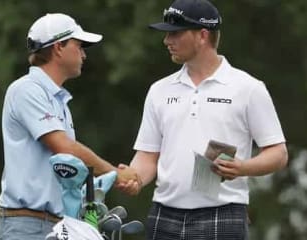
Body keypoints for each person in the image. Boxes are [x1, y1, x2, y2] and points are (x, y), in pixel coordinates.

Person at [118, 0, 288, 239]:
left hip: (224, 213)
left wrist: (242, 168)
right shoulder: (159, 90)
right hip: (163, 215)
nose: (167, 41)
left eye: (175, 34)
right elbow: (148, 156)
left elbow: (278, 153)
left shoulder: (248, 88)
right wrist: (135, 177)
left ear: (202, 35)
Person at [0, 13, 138, 240]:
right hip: (27, 225)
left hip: (55, 223)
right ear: (59, 47)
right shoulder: (26, 89)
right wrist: (116, 173)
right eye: (79, 45)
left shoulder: (57, 100)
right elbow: (64, 148)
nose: (83, 53)